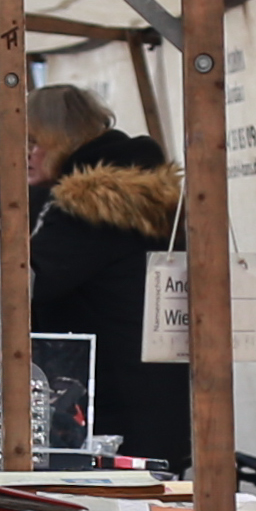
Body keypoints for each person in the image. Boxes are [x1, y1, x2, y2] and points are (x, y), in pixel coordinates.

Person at [27, 83, 193, 471]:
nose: (26, 154)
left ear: (63, 139)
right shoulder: (131, 191)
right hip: (153, 402)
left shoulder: (88, 206)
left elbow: (28, 283)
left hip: (110, 414)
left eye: (35, 142)